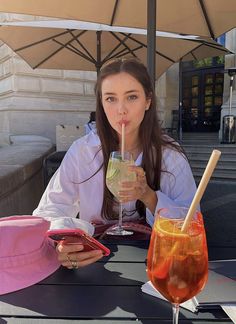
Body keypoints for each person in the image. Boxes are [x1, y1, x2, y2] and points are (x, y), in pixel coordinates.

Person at [33, 58, 197, 269]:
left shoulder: (169, 155)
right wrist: (61, 244)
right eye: (111, 99)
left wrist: (149, 196)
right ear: (101, 103)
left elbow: (192, 223)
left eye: (131, 97)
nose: (121, 109)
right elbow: (48, 212)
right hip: (95, 262)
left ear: (147, 101)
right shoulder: (83, 152)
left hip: (158, 263)